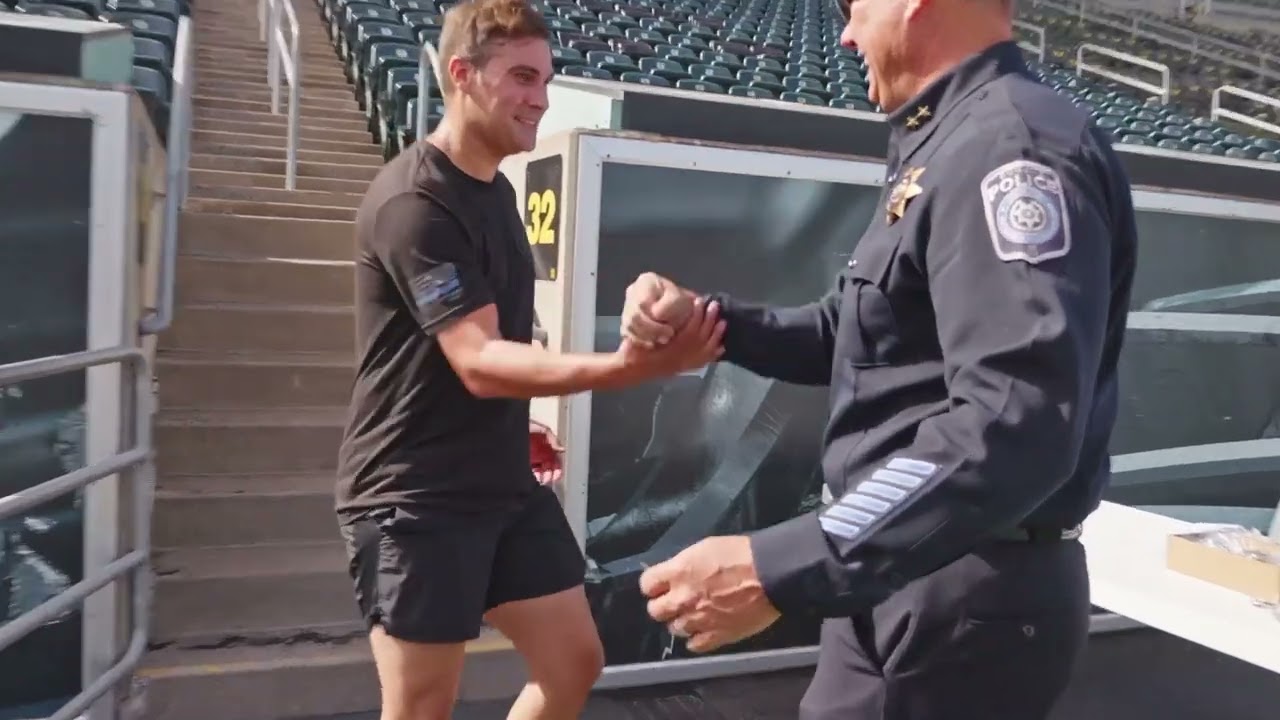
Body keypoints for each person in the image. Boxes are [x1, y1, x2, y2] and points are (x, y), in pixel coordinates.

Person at [627, 0, 1139, 718]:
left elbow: (1012, 422)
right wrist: (710, 319)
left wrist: (783, 566)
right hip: (915, 577)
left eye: (852, 7)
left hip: (956, 595)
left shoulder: (1009, 147)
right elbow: (857, 335)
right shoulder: (953, 141)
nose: (843, 33)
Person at [333, 1, 726, 718]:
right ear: (461, 75)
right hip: (416, 497)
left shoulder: (499, 191)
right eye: (521, 77)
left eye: (545, 79)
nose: (539, 98)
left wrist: (518, 425)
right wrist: (629, 369)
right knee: (422, 705)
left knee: (573, 661)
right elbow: (478, 360)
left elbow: (498, 352)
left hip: (501, 481)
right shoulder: (413, 202)